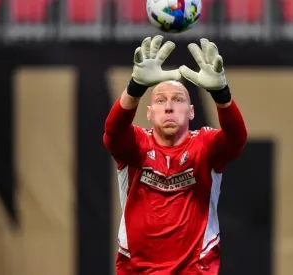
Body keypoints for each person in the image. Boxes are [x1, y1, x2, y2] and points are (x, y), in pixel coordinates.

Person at [103, 35, 247, 274]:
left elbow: (236, 139)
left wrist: (222, 94)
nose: (169, 106)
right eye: (160, 101)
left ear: (191, 112)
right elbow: (113, 132)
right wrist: (135, 87)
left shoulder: (205, 145)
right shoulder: (136, 145)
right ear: (149, 112)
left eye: (177, 100)